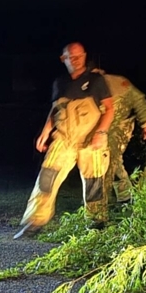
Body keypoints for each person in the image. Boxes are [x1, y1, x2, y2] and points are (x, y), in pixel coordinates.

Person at [14, 42, 114, 238]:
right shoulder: (60, 83)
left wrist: (101, 133)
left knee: (94, 183)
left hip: (90, 140)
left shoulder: (96, 80)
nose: (76, 60)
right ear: (63, 59)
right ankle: (35, 221)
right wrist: (45, 131)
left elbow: (109, 109)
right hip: (64, 139)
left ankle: (96, 224)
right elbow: (55, 109)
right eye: (71, 57)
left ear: (85, 56)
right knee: (46, 178)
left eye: (79, 56)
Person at [92, 68, 146, 205]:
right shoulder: (84, 85)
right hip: (98, 129)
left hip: (120, 126)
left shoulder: (120, 83)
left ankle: (102, 200)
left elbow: (139, 101)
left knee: (111, 159)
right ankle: (124, 195)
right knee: (109, 161)